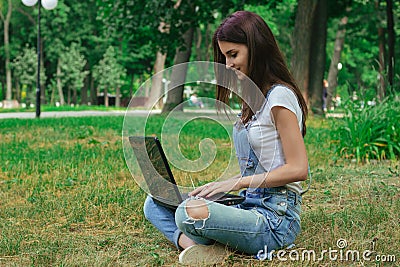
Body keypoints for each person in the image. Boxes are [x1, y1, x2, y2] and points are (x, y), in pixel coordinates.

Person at [143, 10, 309, 265]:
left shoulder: (279, 97)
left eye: (233, 54)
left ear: (257, 48)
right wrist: (219, 189)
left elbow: (299, 169)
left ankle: (205, 242)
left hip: (276, 219)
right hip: (249, 204)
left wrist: (234, 183)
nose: (228, 64)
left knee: (188, 214)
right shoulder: (252, 99)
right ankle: (196, 247)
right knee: (153, 204)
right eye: (224, 56)